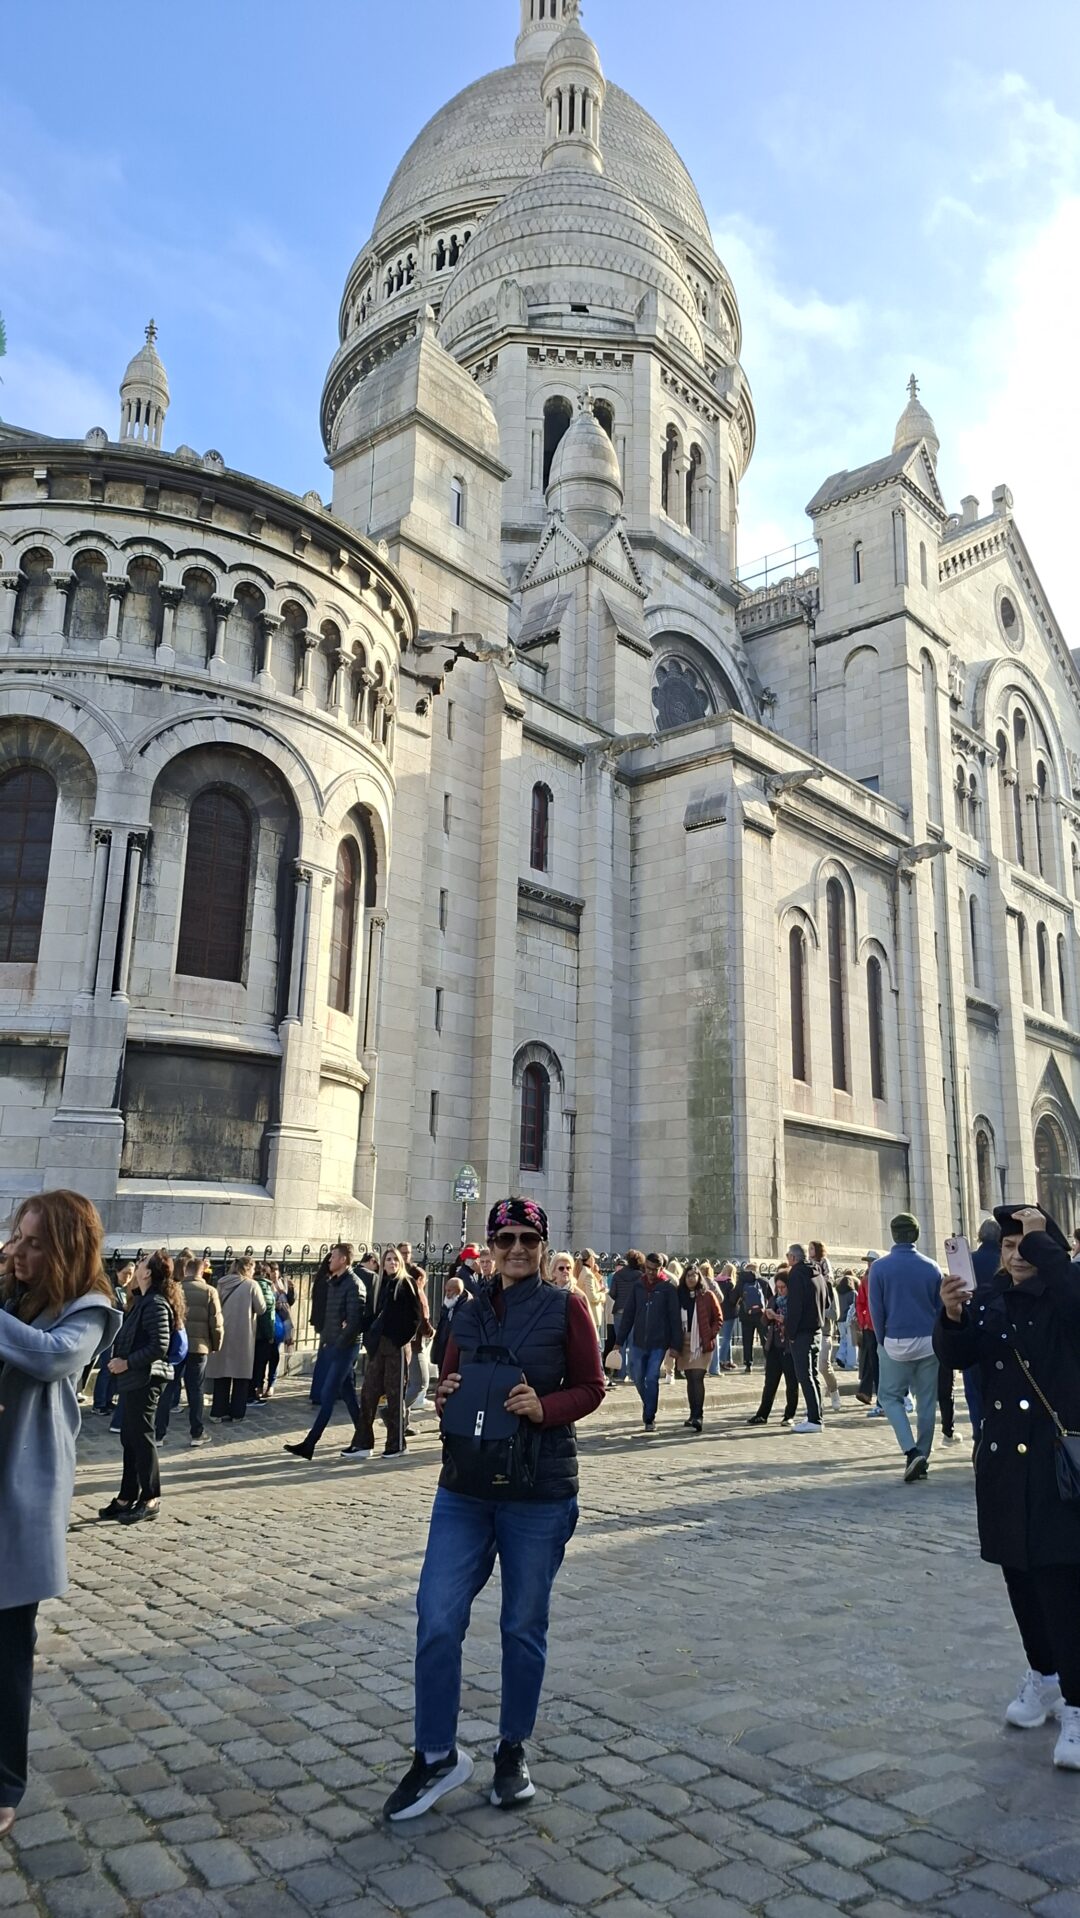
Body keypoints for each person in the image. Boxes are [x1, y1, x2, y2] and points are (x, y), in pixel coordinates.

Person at [382, 1197, 604, 1821]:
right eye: (504, 1238)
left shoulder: (568, 1307)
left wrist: (546, 1408)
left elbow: (591, 1386)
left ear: (542, 1244)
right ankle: (434, 1755)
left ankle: (512, 1750)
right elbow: (449, 1382)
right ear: (490, 1243)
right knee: (437, 1615)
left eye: (527, 1239)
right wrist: (446, 1396)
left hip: (538, 1494)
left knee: (520, 1625)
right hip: (466, 1489)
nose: (515, 1249)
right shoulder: (470, 1310)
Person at [937, 1204, 1080, 1770]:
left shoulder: (1066, 1298)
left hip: (1054, 1469)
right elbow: (960, 1355)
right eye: (1007, 1245)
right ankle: (1043, 1676)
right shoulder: (991, 1299)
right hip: (1002, 1467)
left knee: (1061, 1584)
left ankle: (1077, 1704)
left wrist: (1047, 1245)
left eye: (1026, 1246)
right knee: (1019, 1577)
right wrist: (949, 1317)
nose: (1014, 1255)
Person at [0, 1192, 120, 1840]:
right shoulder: (7, 1293)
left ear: (68, 1248)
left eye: (35, 1242)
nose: (18, 1251)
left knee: (7, 1647)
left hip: (20, 1493)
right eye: (16, 1237)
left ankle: (3, 1783)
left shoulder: (91, 1310)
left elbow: (48, 1356)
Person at [101, 1249, 183, 1523]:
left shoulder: (156, 1303)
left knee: (143, 1438)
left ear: (148, 1272)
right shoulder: (143, 1300)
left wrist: (126, 1362)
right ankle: (127, 1496)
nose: (137, 1265)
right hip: (134, 1380)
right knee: (130, 1437)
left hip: (146, 1379)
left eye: (142, 1262)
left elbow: (159, 1345)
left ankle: (150, 1499)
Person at [868, 1213, 943, 1481]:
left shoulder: (879, 1268)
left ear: (893, 1235)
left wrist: (881, 1342)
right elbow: (939, 1307)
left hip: (895, 1339)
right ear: (916, 1234)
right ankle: (922, 1453)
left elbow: (877, 1310)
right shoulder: (931, 1266)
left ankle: (911, 1451)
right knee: (926, 1402)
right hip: (927, 1340)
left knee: (889, 1397)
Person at [285, 1244, 367, 1460]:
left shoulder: (354, 1284)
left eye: (333, 1257)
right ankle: (365, 1438)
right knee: (349, 1395)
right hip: (331, 1344)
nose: (329, 1260)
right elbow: (332, 1317)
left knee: (328, 1394)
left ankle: (309, 1444)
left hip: (345, 1347)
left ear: (344, 1260)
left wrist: (339, 1343)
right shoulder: (333, 1283)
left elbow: (354, 1321)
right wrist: (326, 1340)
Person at [344, 1246, 421, 1460]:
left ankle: (396, 1443)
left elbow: (415, 1318)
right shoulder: (381, 1284)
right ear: (382, 1263)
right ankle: (362, 1443)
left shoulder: (406, 1283)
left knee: (394, 1395)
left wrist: (399, 1339)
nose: (392, 1263)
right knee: (368, 1393)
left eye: (395, 1260)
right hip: (378, 1346)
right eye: (388, 1260)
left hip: (396, 1346)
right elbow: (373, 1313)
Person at [617, 1252, 681, 1433]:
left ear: (661, 1269)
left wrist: (675, 1346)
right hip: (638, 1341)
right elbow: (628, 1314)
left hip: (659, 1342)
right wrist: (619, 1342)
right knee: (636, 1376)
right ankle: (649, 1404)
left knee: (652, 1377)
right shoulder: (638, 1285)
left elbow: (674, 1318)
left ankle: (649, 1416)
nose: (651, 1273)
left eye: (654, 1270)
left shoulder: (667, 1288)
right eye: (648, 1269)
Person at [173, 1253, 224, 1444]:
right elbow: (217, 1323)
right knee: (196, 1390)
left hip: (177, 1346)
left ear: (185, 1270)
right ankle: (196, 1432)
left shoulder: (176, 1289)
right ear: (202, 1271)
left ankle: (159, 1433)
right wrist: (215, 1345)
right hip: (199, 1346)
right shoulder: (210, 1291)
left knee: (169, 1386)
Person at [205, 1258, 264, 1422]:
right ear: (248, 1269)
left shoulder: (222, 1282)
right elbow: (261, 1308)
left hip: (223, 1333)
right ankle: (237, 1413)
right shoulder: (251, 1285)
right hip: (243, 1335)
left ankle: (218, 1411)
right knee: (241, 1376)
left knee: (222, 1374)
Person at [784, 1244, 827, 1433]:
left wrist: (790, 1332)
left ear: (793, 1258)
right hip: (816, 1328)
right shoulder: (817, 1272)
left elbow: (795, 1306)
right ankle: (816, 1413)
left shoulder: (796, 1274)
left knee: (804, 1375)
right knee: (813, 1374)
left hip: (802, 1331)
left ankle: (815, 1419)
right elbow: (826, 1301)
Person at [747, 1273, 800, 1426]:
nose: (781, 1290)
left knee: (791, 1383)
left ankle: (789, 1415)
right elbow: (764, 1322)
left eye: (783, 1287)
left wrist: (784, 1320)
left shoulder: (795, 1301)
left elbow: (797, 1323)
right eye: (778, 1287)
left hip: (789, 1347)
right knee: (770, 1382)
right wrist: (768, 1315)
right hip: (774, 1346)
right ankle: (762, 1414)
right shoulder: (774, 1299)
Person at [676, 1264, 721, 1432]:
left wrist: (710, 1334)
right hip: (685, 1340)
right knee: (689, 1378)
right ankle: (692, 1413)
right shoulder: (679, 1295)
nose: (691, 1278)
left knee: (697, 1377)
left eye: (694, 1275)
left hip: (702, 1341)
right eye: (688, 1276)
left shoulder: (707, 1295)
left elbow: (718, 1318)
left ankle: (698, 1415)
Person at [90, 1260, 132, 1414]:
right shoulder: (110, 1290)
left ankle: (108, 1400)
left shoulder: (125, 1290)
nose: (128, 1277)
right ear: (118, 1272)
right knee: (106, 1368)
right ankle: (99, 1402)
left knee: (115, 1370)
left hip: (121, 1335)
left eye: (131, 1274)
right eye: (126, 1273)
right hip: (110, 1333)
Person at [810, 1241, 843, 1413]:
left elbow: (835, 1314)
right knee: (812, 1369)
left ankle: (834, 1392)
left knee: (824, 1366)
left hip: (824, 1332)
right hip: (810, 1332)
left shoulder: (830, 1288)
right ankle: (817, 1401)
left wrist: (820, 1308)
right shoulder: (809, 1287)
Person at [607, 1251, 643, 1381]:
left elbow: (612, 1293)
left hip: (619, 1311)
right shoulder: (640, 1275)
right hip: (634, 1312)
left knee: (620, 1342)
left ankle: (621, 1374)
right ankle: (633, 1373)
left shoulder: (618, 1275)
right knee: (634, 1343)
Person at [855, 1253, 884, 1414]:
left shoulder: (882, 1278)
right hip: (870, 1328)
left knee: (882, 1363)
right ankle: (878, 1398)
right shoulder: (865, 1280)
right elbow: (860, 1302)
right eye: (868, 1262)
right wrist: (863, 1320)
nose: (869, 1265)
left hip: (882, 1327)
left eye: (871, 1262)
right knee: (873, 1362)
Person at [731, 1262, 768, 1372]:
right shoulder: (763, 1281)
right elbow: (770, 1297)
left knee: (747, 1340)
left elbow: (733, 1299)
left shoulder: (741, 1282)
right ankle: (769, 1361)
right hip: (761, 1314)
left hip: (746, 1314)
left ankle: (748, 1364)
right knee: (764, 1339)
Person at [432, 1273, 466, 1371]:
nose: (447, 1294)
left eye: (450, 1291)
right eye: (446, 1291)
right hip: (444, 1347)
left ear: (458, 1291)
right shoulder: (447, 1304)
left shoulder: (465, 1306)